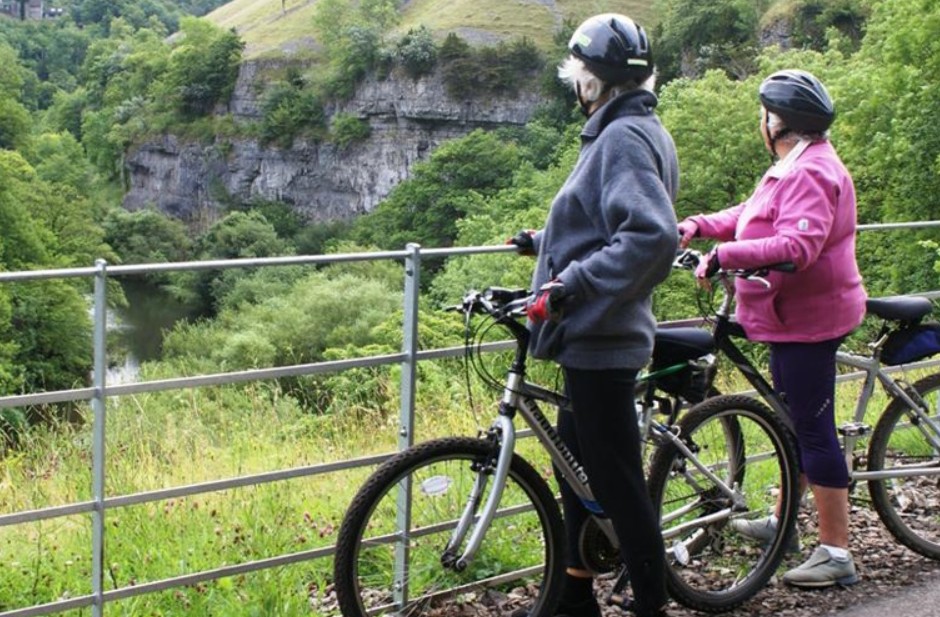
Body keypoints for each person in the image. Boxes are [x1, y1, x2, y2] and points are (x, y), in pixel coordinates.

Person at [509, 13, 679, 617]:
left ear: (591, 82)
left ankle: (650, 605)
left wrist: (569, 282)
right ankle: (576, 591)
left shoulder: (623, 137)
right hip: (591, 335)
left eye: (577, 77)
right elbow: (603, 217)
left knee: (619, 487)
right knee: (577, 469)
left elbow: (652, 237)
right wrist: (546, 238)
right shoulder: (630, 126)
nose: (575, 87)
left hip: (603, 338)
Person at [678, 69, 867, 588]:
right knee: (792, 420)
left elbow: (798, 246)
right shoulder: (796, 163)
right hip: (793, 315)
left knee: (811, 428)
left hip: (810, 319)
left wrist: (724, 256)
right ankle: (784, 525)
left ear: (774, 121)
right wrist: (699, 225)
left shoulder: (809, 171)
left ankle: (836, 554)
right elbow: (755, 213)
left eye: (762, 115)